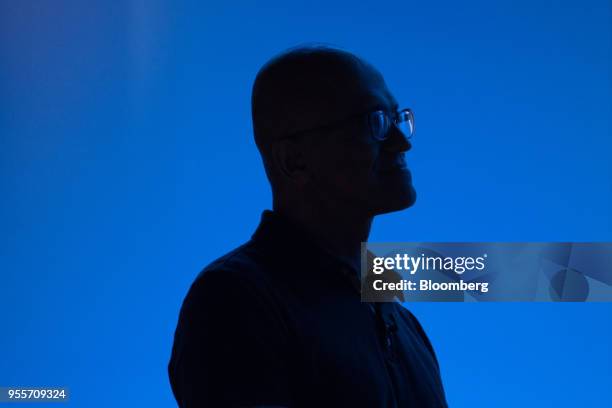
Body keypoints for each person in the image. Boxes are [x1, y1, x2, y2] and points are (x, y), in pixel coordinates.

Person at [168, 45, 448, 407]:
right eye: (375, 121)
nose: (401, 140)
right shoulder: (234, 299)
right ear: (294, 159)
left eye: (397, 118)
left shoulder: (403, 322)